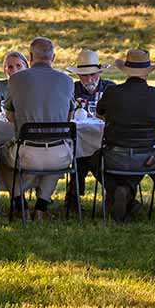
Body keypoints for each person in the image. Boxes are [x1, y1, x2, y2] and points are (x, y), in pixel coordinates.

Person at [4, 37, 74, 220]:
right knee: (58, 158)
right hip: (58, 155)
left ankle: (20, 203)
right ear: (54, 57)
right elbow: (69, 117)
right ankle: (41, 208)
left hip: (27, 154)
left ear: (30, 56)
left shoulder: (15, 80)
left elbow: (10, 117)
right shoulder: (67, 81)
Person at [95, 49, 155, 221]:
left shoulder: (112, 92)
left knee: (93, 158)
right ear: (147, 72)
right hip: (145, 158)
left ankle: (119, 191)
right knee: (137, 165)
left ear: (126, 70)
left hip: (114, 156)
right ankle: (128, 196)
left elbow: (99, 112)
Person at [65, 49, 113, 210]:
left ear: (99, 73)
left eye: (93, 74)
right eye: (85, 75)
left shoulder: (110, 88)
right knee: (79, 155)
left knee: (87, 157)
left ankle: (73, 195)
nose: (90, 79)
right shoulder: (72, 89)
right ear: (78, 76)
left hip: (107, 141)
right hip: (80, 140)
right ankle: (74, 196)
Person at [0, 50, 28, 116]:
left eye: (19, 66)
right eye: (10, 67)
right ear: (5, 70)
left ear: (26, 67)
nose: (15, 70)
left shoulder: (32, 87)